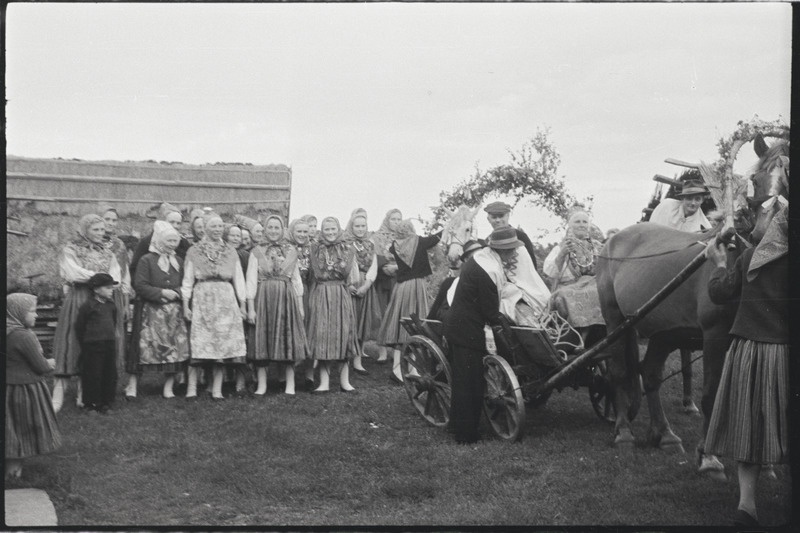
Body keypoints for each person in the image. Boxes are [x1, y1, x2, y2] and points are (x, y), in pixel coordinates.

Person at [702, 205, 788, 527]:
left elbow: (719, 292)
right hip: (787, 353)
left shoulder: (751, 258)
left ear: (776, 223)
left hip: (751, 351)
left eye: (766, 215)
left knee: (748, 427)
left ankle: (747, 506)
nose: (759, 218)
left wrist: (719, 263)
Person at [444, 228, 517, 444]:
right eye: (511, 251)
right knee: (471, 383)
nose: (513, 255)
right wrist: (502, 323)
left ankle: (458, 426)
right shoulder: (489, 268)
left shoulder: (480, 258)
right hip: (468, 329)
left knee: (462, 381)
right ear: (503, 251)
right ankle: (466, 435)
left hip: (460, 323)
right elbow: (489, 309)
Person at [51, 214, 122, 413]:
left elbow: (116, 276)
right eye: (96, 230)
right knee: (73, 340)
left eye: (102, 229)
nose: (101, 233)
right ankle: (58, 392)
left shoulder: (108, 252)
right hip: (80, 299)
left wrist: (99, 280)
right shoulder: (70, 249)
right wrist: (101, 279)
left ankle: (87, 392)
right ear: (84, 230)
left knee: (97, 344)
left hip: (102, 300)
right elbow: (72, 273)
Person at [182, 212, 248, 400]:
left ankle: (217, 388)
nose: (217, 230)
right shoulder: (194, 251)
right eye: (213, 226)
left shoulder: (230, 251)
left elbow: (239, 279)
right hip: (203, 298)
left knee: (222, 345)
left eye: (220, 226)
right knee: (199, 343)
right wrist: (186, 305)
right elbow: (187, 280)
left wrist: (242, 305)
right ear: (205, 228)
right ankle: (192, 387)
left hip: (226, 299)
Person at [126, 221, 190, 399]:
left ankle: (168, 387)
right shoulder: (147, 260)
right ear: (160, 241)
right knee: (142, 348)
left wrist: (175, 293)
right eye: (169, 240)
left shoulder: (178, 261)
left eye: (175, 241)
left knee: (174, 348)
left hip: (173, 313)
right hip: (150, 310)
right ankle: (132, 386)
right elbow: (140, 285)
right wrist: (161, 293)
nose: (172, 244)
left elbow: (186, 283)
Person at [246, 215, 309, 395]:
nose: (273, 231)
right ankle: (262, 384)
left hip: (286, 297)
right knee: (262, 339)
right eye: (270, 227)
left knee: (287, 337)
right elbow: (251, 280)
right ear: (265, 229)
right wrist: (251, 308)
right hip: (264, 298)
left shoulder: (291, 250)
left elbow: (296, 279)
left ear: (283, 230)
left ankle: (290, 384)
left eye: (277, 228)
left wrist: (300, 306)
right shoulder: (257, 251)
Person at [376, 219, 442, 383]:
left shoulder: (394, 245)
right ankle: (409, 369)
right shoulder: (420, 241)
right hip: (416, 286)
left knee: (401, 327)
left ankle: (398, 369)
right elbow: (437, 238)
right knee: (415, 325)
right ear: (412, 230)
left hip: (401, 287)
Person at [6, 293, 63, 479]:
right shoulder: (23, 336)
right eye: (32, 311)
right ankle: (14, 471)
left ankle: (10, 468)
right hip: (25, 389)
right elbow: (40, 366)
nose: (36, 315)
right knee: (25, 427)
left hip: (8, 388)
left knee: (10, 428)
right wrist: (51, 363)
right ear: (18, 312)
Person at [306, 217, 360, 393]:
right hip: (321, 292)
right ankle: (324, 382)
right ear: (322, 230)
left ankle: (345, 381)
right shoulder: (315, 248)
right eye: (326, 229)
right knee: (323, 335)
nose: (330, 233)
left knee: (343, 334)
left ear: (338, 229)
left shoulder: (347, 249)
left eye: (333, 229)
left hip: (340, 293)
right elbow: (312, 274)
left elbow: (353, 276)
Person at [543, 205, 605, 337]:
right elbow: (550, 272)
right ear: (570, 226)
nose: (581, 225)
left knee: (598, 291)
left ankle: (596, 331)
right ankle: (579, 336)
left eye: (584, 222)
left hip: (592, 283)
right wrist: (562, 254)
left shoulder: (598, 247)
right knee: (567, 295)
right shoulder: (562, 247)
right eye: (577, 222)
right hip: (568, 285)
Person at [74, 273, 120, 413]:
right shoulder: (88, 306)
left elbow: (113, 321)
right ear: (96, 289)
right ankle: (91, 403)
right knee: (93, 373)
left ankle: (106, 402)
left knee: (109, 373)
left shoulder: (111, 306)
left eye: (112, 287)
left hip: (109, 343)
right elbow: (79, 327)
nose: (111, 290)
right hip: (92, 344)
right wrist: (87, 342)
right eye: (107, 288)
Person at [343, 208, 381, 374]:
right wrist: (349, 284)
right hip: (349, 286)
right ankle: (344, 358)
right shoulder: (344, 243)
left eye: (363, 226)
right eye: (357, 226)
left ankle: (358, 361)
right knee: (348, 322)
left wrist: (366, 286)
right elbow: (342, 266)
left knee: (361, 324)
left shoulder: (370, 244)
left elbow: (374, 267)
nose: (360, 229)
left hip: (365, 285)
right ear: (352, 226)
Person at [100, 205, 133, 379]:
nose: (111, 223)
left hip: (116, 294)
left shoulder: (120, 245)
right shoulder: (89, 244)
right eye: (107, 219)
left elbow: (125, 274)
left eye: (114, 220)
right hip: (96, 293)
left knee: (115, 333)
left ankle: (110, 374)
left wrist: (126, 303)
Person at [370, 208, 403, 363]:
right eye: (393, 219)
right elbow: (376, 255)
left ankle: (396, 349)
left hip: (399, 277)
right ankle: (382, 351)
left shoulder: (404, 237)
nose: (396, 222)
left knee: (398, 313)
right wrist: (385, 267)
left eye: (398, 219)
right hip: (383, 278)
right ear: (387, 220)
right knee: (383, 313)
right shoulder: (378, 236)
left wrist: (397, 267)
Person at [428, 239, 485, 323]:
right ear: (466, 260)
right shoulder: (453, 282)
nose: (480, 260)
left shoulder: (491, 275)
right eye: (476, 257)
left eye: (483, 256)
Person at [129, 202, 191, 279]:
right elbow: (135, 270)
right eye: (171, 222)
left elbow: (188, 270)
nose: (175, 226)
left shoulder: (183, 243)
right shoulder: (147, 242)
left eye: (178, 223)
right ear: (163, 221)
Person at [483, 201, 539, 270]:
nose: (497, 220)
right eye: (494, 217)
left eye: (501, 216)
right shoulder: (487, 241)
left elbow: (532, 265)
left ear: (508, 216)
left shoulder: (521, 237)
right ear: (488, 219)